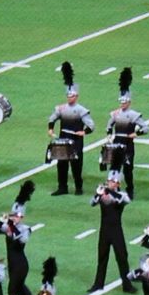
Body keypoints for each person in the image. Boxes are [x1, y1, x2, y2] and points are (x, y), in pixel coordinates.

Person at [87, 167, 138, 294]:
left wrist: (110, 191)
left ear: (118, 184)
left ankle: (127, 285)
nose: (109, 183)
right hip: (104, 230)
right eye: (109, 181)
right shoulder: (103, 194)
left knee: (122, 257)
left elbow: (125, 200)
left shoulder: (122, 195)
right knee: (102, 257)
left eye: (112, 181)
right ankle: (98, 284)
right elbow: (91, 203)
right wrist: (98, 194)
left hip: (116, 231)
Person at [47, 62, 95, 196]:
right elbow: (52, 118)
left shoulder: (81, 110)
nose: (70, 98)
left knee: (76, 165)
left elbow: (91, 125)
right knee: (61, 164)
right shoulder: (61, 108)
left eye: (72, 96)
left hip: (76, 140)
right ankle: (62, 187)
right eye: (68, 96)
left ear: (77, 96)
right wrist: (50, 129)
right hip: (63, 138)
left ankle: (79, 188)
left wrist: (84, 132)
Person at [106, 67, 148, 199]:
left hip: (128, 144)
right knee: (114, 167)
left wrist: (136, 134)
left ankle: (130, 189)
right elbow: (109, 125)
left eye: (124, 102)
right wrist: (108, 134)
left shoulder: (134, 115)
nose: (122, 104)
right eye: (121, 102)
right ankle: (114, 188)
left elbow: (146, 128)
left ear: (129, 102)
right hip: (117, 143)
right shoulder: (115, 113)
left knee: (128, 169)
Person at [4, 181, 35, 295]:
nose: (13, 218)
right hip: (12, 264)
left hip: (20, 264)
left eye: (16, 216)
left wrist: (10, 225)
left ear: (21, 217)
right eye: (12, 215)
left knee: (13, 290)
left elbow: (19, 239)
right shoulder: (9, 226)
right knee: (20, 287)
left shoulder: (25, 229)